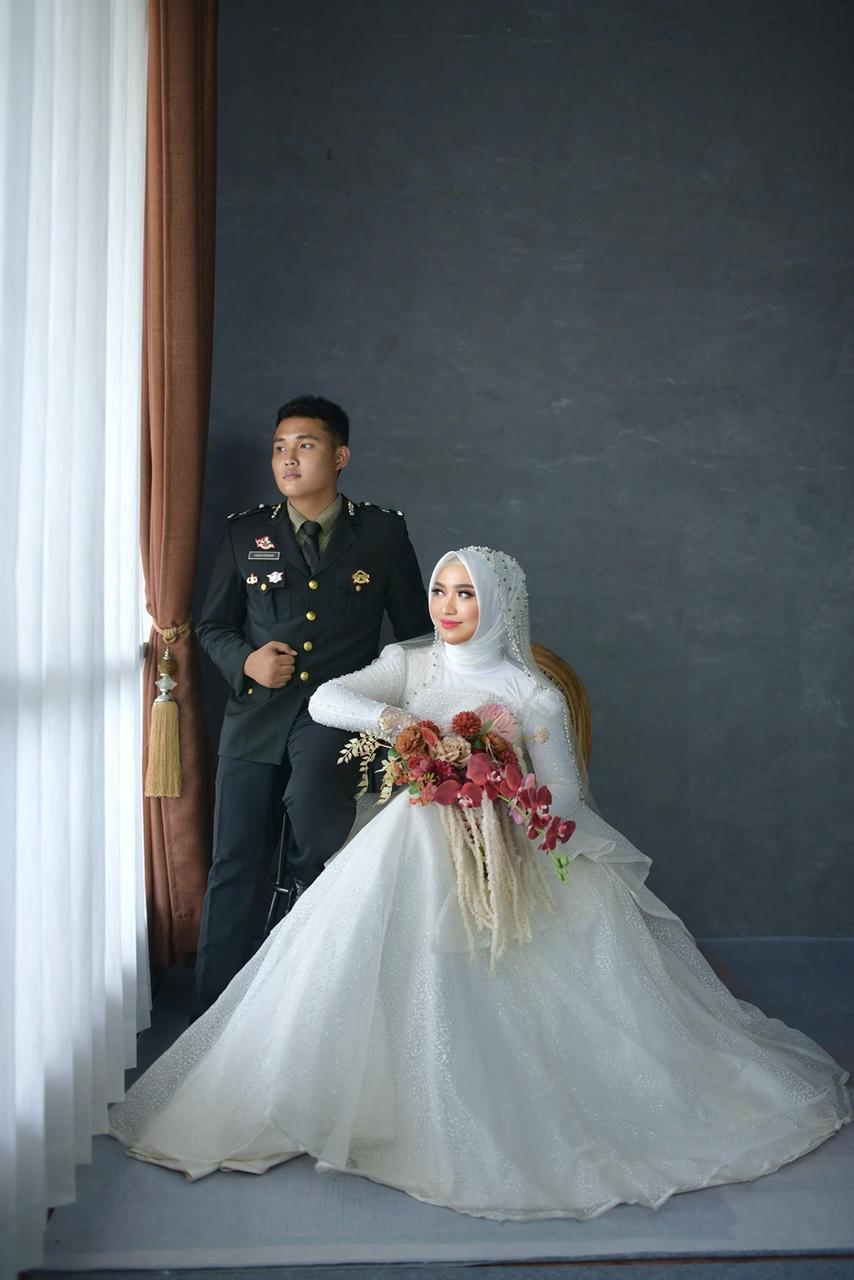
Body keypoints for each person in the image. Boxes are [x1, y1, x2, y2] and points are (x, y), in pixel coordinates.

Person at [109, 546, 851, 1220]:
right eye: (440, 591)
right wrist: (403, 726)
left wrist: (494, 797)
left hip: (506, 844)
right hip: (413, 836)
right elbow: (323, 699)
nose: (447, 607)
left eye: (465, 594)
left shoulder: (532, 694)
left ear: (497, 604)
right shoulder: (411, 664)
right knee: (394, 860)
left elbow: (565, 798)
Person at [190, 394, 430, 1021]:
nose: (288, 459)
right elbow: (212, 625)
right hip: (255, 716)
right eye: (279, 448)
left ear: (340, 456)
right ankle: (211, 1017)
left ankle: (295, 1009)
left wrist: (409, 714)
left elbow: (414, 635)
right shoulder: (246, 532)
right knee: (235, 858)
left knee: (315, 850)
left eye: (305, 445)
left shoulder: (382, 533)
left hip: (337, 717)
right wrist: (246, 661)